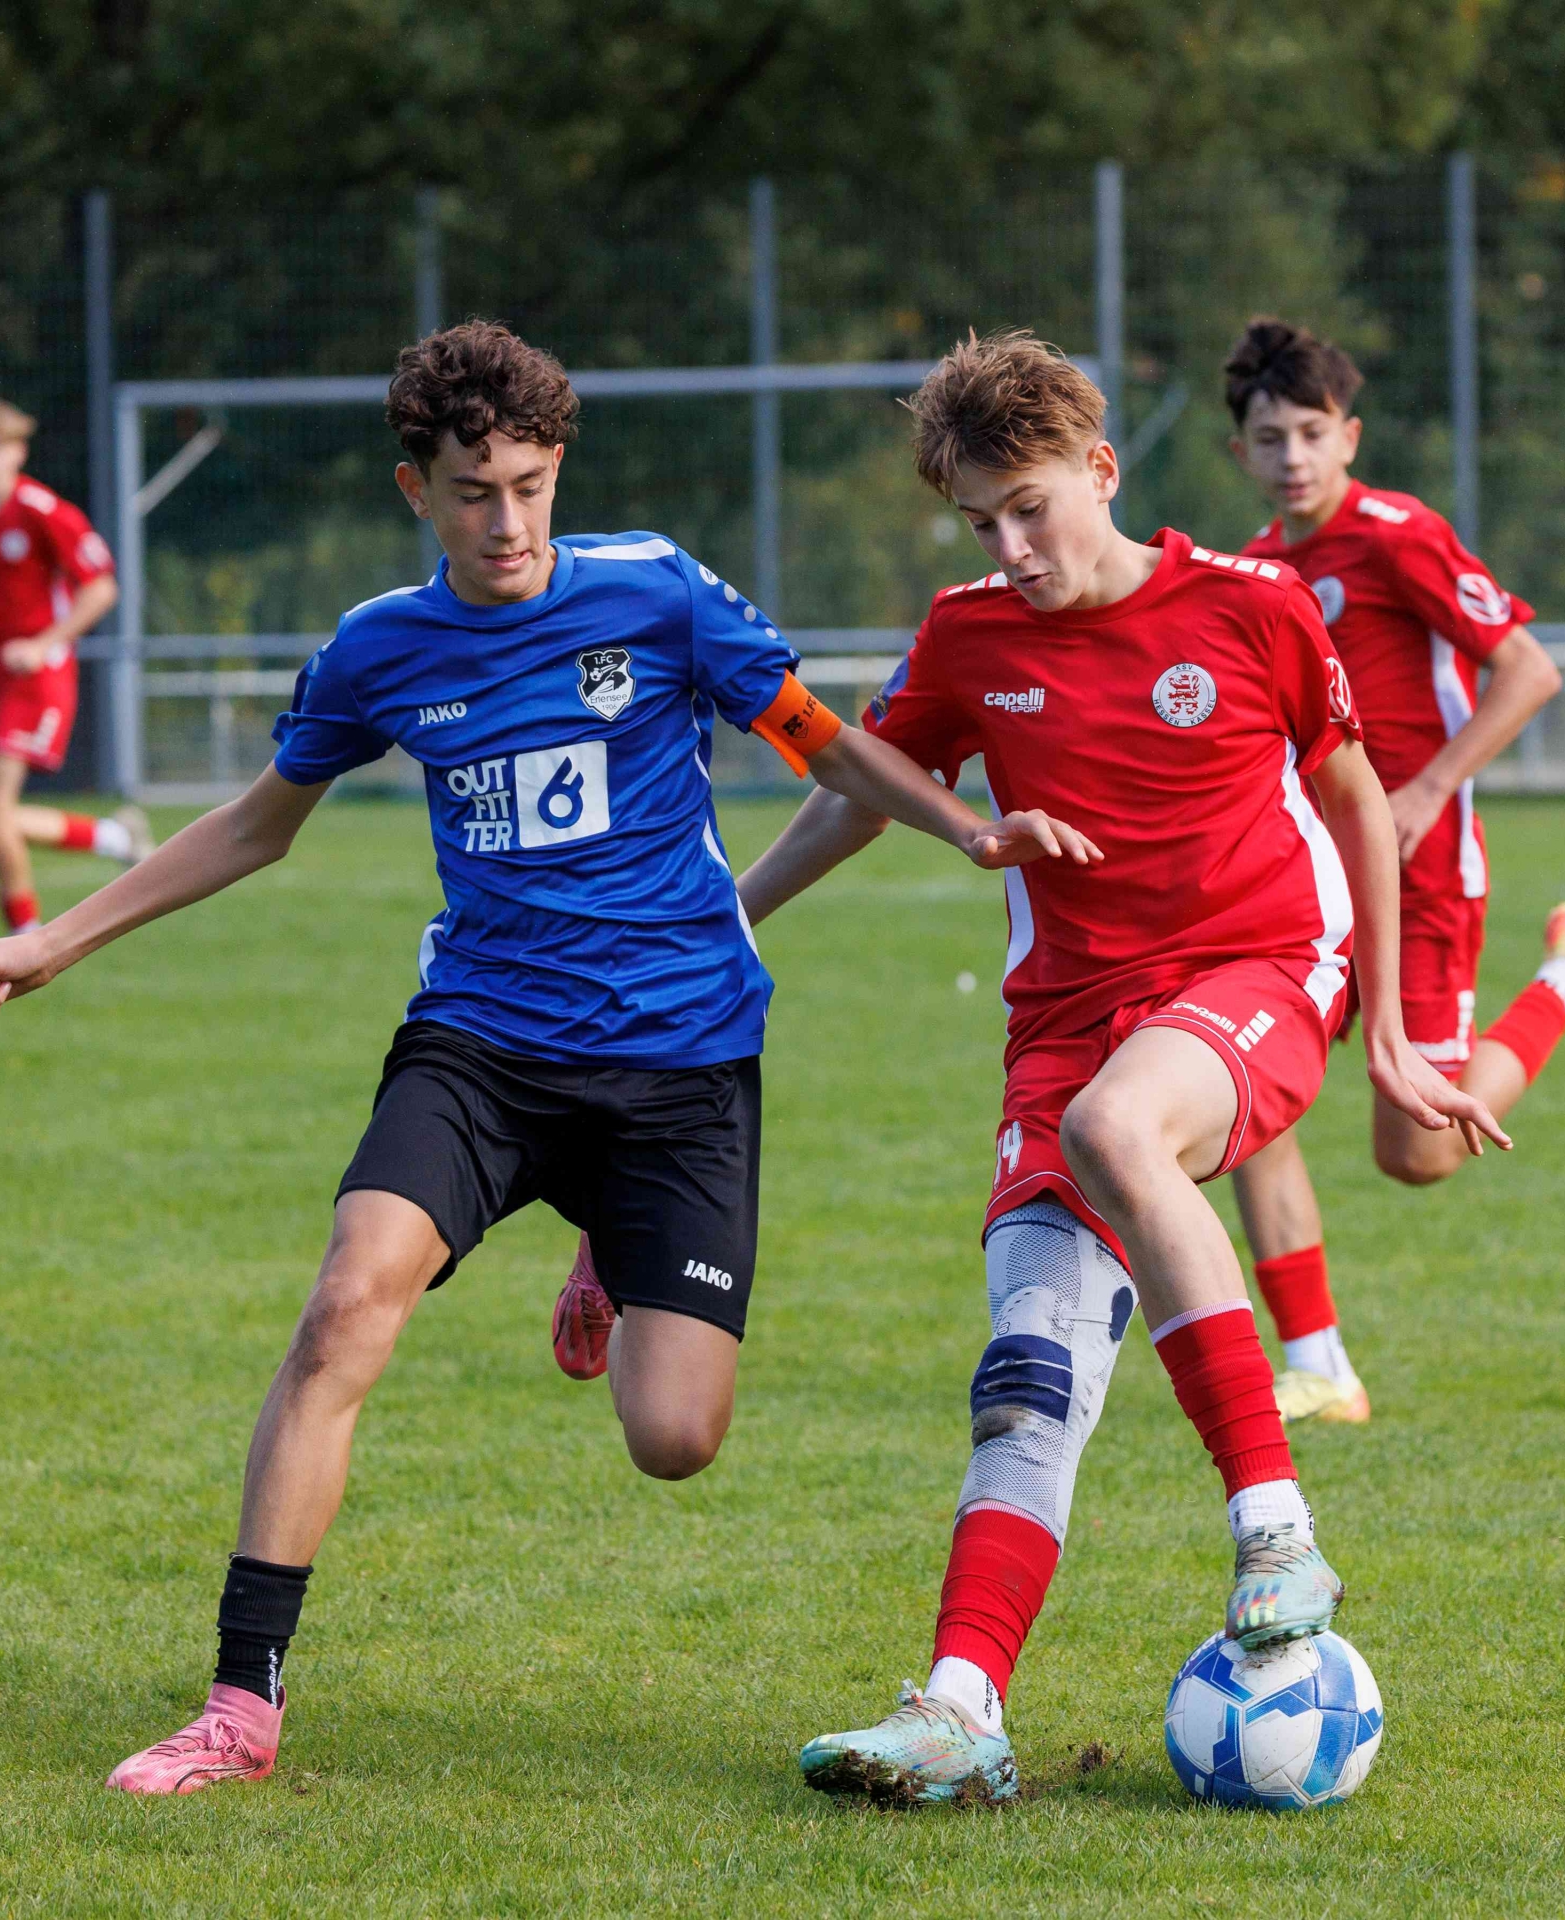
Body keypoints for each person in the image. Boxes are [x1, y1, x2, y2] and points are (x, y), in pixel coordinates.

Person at [0, 319, 1100, 1797]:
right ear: (415, 489)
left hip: (679, 1057)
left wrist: (968, 828)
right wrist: (51, 942)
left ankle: (606, 1237)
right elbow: (254, 828)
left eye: (533, 486)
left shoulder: (658, 592)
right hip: (482, 1044)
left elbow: (824, 741)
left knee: (675, 1437)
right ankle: (240, 1706)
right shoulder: (379, 648)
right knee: (345, 1308)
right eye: (474, 492)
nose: (509, 523)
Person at [583, 327, 1499, 1806]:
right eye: (979, 524)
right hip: (1064, 1026)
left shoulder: (1252, 606)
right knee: (1026, 1379)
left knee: (1119, 1129)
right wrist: (721, 920)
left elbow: (1355, 799)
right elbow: (861, 796)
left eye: (1031, 510)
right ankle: (961, 1712)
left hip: (1254, 977)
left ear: (1102, 470)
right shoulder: (969, 637)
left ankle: (1277, 1529)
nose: (1011, 550)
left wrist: (1386, 1026)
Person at [1223, 318, 1565, 1426]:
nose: (1293, 456)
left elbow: (1528, 670)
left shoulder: (1398, 536)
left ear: (1350, 436)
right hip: (1304, 885)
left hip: (1420, 877)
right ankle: (1321, 1367)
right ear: (1242, 451)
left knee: (1420, 1154)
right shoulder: (1256, 569)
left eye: (1312, 433)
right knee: (1250, 1098)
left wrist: (1426, 791)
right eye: (1271, 438)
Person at [0, 385, 152, 930]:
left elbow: (101, 588)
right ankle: (115, 837)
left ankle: (25, 934)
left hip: (38, 674)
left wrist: (44, 643)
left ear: (17, 451)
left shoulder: (43, 510)